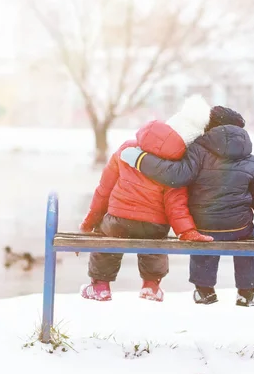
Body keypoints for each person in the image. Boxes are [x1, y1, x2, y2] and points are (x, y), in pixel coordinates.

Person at [120, 96, 254, 306]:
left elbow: (175, 175)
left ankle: (204, 291)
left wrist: (140, 159)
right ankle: (247, 293)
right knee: (252, 239)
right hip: (239, 227)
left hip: (204, 227)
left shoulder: (198, 151)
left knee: (203, 233)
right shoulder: (251, 160)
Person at [79, 119, 213, 302]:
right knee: (156, 240)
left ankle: (100, 286)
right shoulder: (173, 166)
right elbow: (176, 205)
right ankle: (151, 286)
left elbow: (104, 190)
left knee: (106, 238)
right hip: (153, 225)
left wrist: (89, 222)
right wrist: (186, 230)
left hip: (119, 220)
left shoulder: (124, 151)